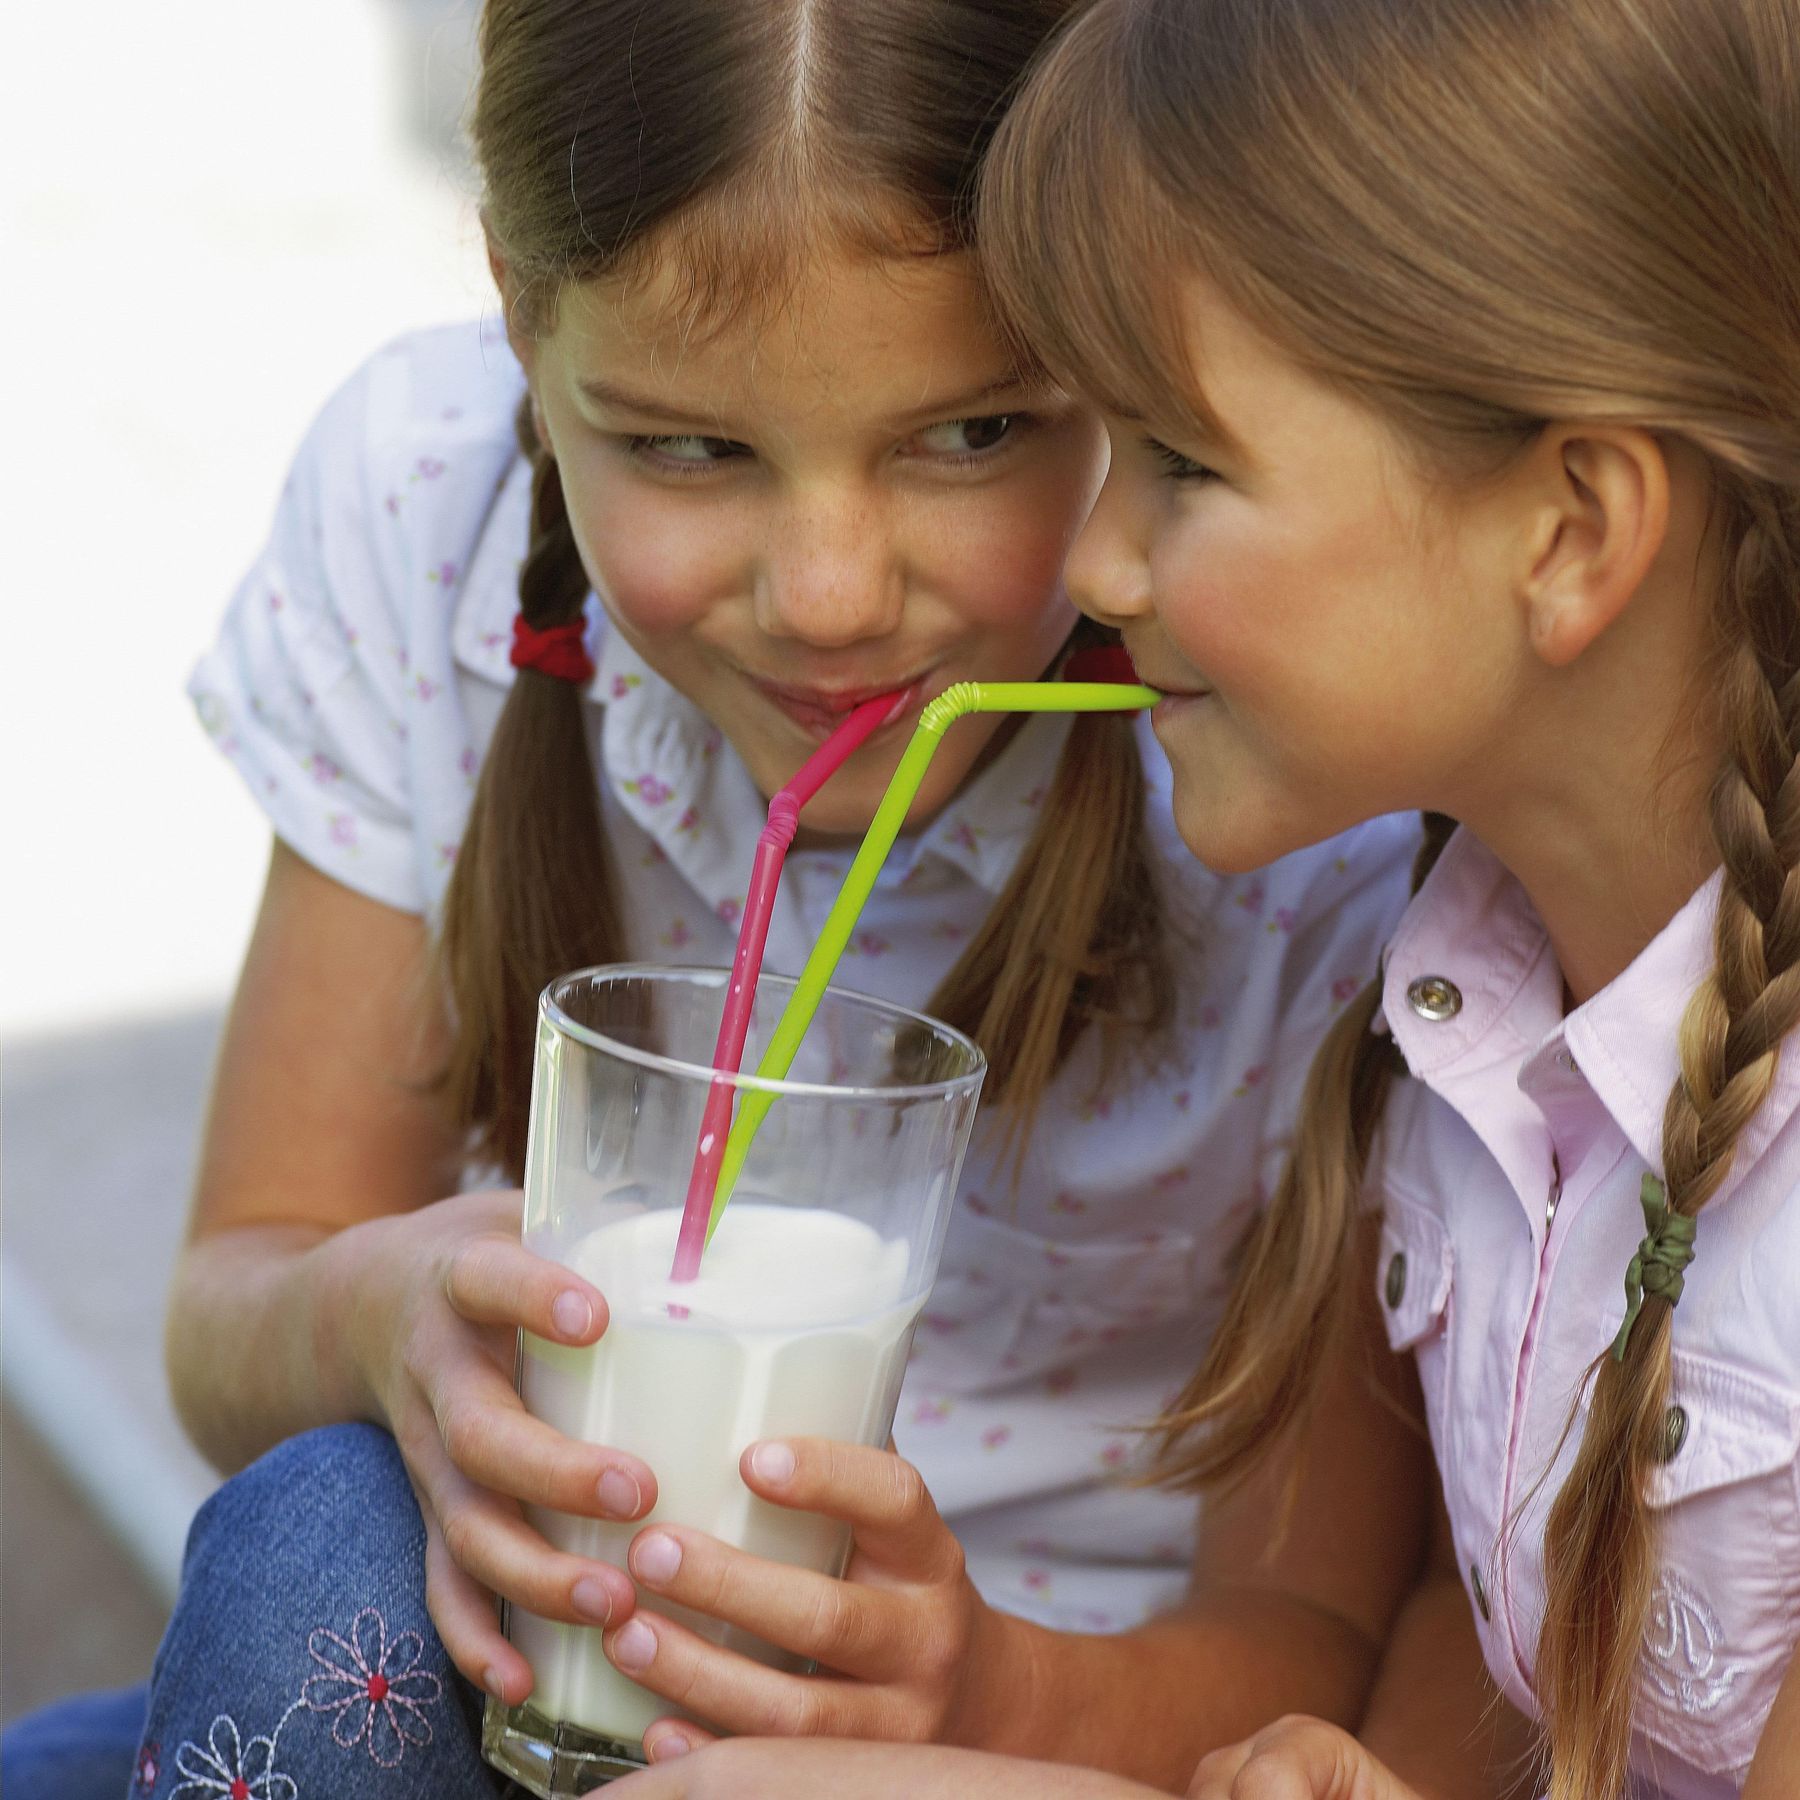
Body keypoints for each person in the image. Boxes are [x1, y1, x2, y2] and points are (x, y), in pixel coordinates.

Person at [0, 5, 1516, 1800]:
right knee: (318, 1541)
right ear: (519, 311)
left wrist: (977, 1693)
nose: (830, 596)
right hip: (523, 1679)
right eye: (686, 449)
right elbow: (239, 1291)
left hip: (1013, 1747)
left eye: (974, 432)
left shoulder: (1301, 768)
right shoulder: (432, 513)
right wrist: (371, 1311)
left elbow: (1315, 1634)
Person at [954, 0, 1793, 1793]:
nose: (1094, 565)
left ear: (1571, 530)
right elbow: (1478, 1654)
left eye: (1182, 462)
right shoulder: (1470, 998)